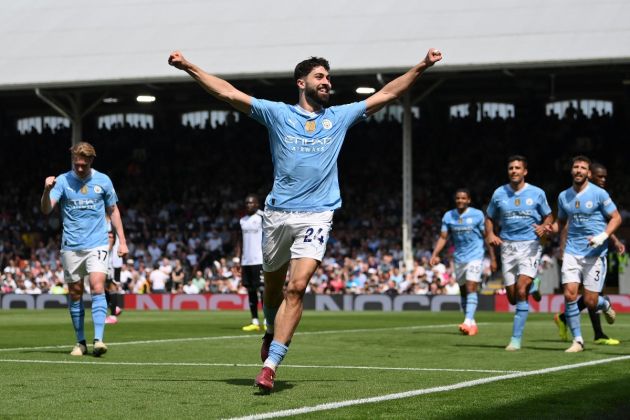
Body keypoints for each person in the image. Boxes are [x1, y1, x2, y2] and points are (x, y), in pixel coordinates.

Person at [168, 47, 443, 391]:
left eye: (328, 77)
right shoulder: (277, 114)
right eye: (320, 76)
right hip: (278, 213)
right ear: (302, 83)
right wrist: (189, 67)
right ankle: (270, 330)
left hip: (318, 213)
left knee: (296, 288)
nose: (327, 82)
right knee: (272, 289)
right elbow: (227, 92)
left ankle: (271, 365)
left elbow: (388, 93)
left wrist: (422, 65)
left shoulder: (340, 116)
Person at [41, 142, 128, 357]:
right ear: (73, 160)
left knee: (98, 287)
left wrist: (123, 241)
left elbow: (114, 211)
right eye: (77, 164)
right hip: (71, 245)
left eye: (84, 164)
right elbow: (46, 209)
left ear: (91, 161)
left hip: (97, 243)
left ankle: (98, 340)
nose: (80, 168)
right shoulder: (61, 181)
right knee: (76, 292)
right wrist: (46, 190)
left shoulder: (103, 180)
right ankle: (80, 342)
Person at [546, 156, 621, 352]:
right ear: (572, 171)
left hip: (595, 253)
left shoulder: (599, 194)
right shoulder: (564, 196)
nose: (579, 170)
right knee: (570, 295)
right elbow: (561, 223)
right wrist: (548, 228)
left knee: (590, 302)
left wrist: (603, 236)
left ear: (588, 173)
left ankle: (604, 305)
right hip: (572, 251)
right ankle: (577, 340)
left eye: (583, 168)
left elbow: (616, 218)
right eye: (576, 167)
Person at [485, 155, 552, 351]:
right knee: (513, 297)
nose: (514, 171)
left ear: (525, 171)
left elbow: (549, 216)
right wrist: (490, 233)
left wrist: (544, 226)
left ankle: (515, 339)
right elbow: (489, 217)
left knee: (520, 291)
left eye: (517, 168)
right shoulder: (499, 193)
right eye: (511, 168)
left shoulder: (537, 193)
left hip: (530, 245)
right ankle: (534, 286)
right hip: (507, 247)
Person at [430, 188, 495, 336]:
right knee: (464, 291)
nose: (460, 201)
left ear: (469, 200)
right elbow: (443, 237)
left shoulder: (477, 214)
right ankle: (472, 323)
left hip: (476, 257)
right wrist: (435, 254)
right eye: (458, 198)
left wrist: (493, 258)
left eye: (463, 198)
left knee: (471, 287)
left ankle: (466, 321)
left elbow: (487, 236)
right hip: (459, 258)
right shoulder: (448, 216)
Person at [236, 194, 266, 332]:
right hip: (246, 261)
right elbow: (239, 241)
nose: (248, 205)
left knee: (262, 290)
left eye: (251, 203)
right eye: (247, 203)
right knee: (251, 290)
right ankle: (254, 321)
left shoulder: (261, 218)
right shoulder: (242, 220)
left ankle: (268, 321)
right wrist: (238, 259)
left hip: (259, 260)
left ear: (257, 204)